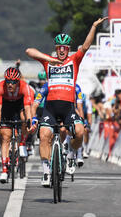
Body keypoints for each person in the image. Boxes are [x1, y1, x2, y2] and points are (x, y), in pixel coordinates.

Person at [26, 17, 107, 187]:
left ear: (68, 49)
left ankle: (71, 153)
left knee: (79, 132)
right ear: (56, 49)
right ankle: (46, 172)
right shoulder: (48, 61)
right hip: (50, 108)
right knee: (44, 135)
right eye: (59, 48)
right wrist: (49, 59)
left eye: (65, 48)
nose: (62, 50)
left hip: (68, 107)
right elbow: (29, 51)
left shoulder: (74, 60)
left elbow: (85, 46)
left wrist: (93, 26)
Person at [0, 67, 35, 184]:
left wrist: (29, 121)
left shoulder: (25, 87)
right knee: (6, 137)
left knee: (24, 120)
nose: (10, 84)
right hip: (6, 106)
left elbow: (27, 107)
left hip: (19, 105)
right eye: (8, 81)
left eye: (13, 82)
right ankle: (4, 169)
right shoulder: (0, 87)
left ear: (18, 82)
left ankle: (22, 142)